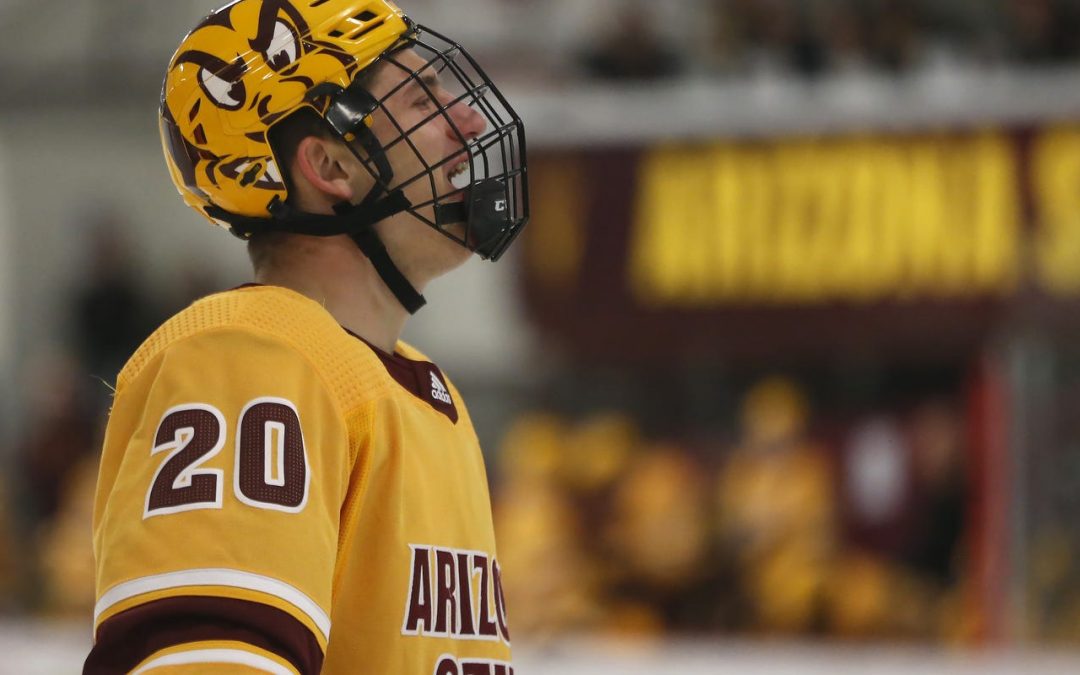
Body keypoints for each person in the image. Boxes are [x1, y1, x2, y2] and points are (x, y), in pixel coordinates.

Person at [84, 0, 528, 673]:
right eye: (421, 99)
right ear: (331, 167)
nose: (466, 120)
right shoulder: (249, 360)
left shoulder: (420, 391)